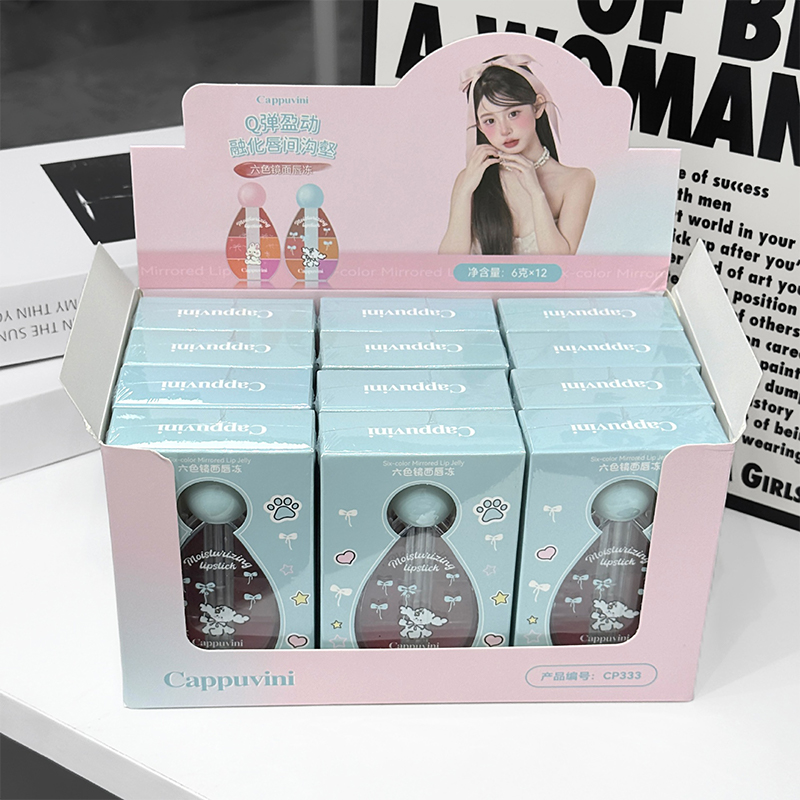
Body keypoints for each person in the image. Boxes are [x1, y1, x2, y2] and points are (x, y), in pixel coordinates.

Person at [439, 55, 595, 256]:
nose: (504, 130)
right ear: (479, 126)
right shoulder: (470, 178)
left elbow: (560, 264)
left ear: (538, 107)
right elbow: (448, 264)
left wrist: (536, 193)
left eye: (513, 114)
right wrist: (465, 191)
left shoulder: (577, 180)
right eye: (489, 121)